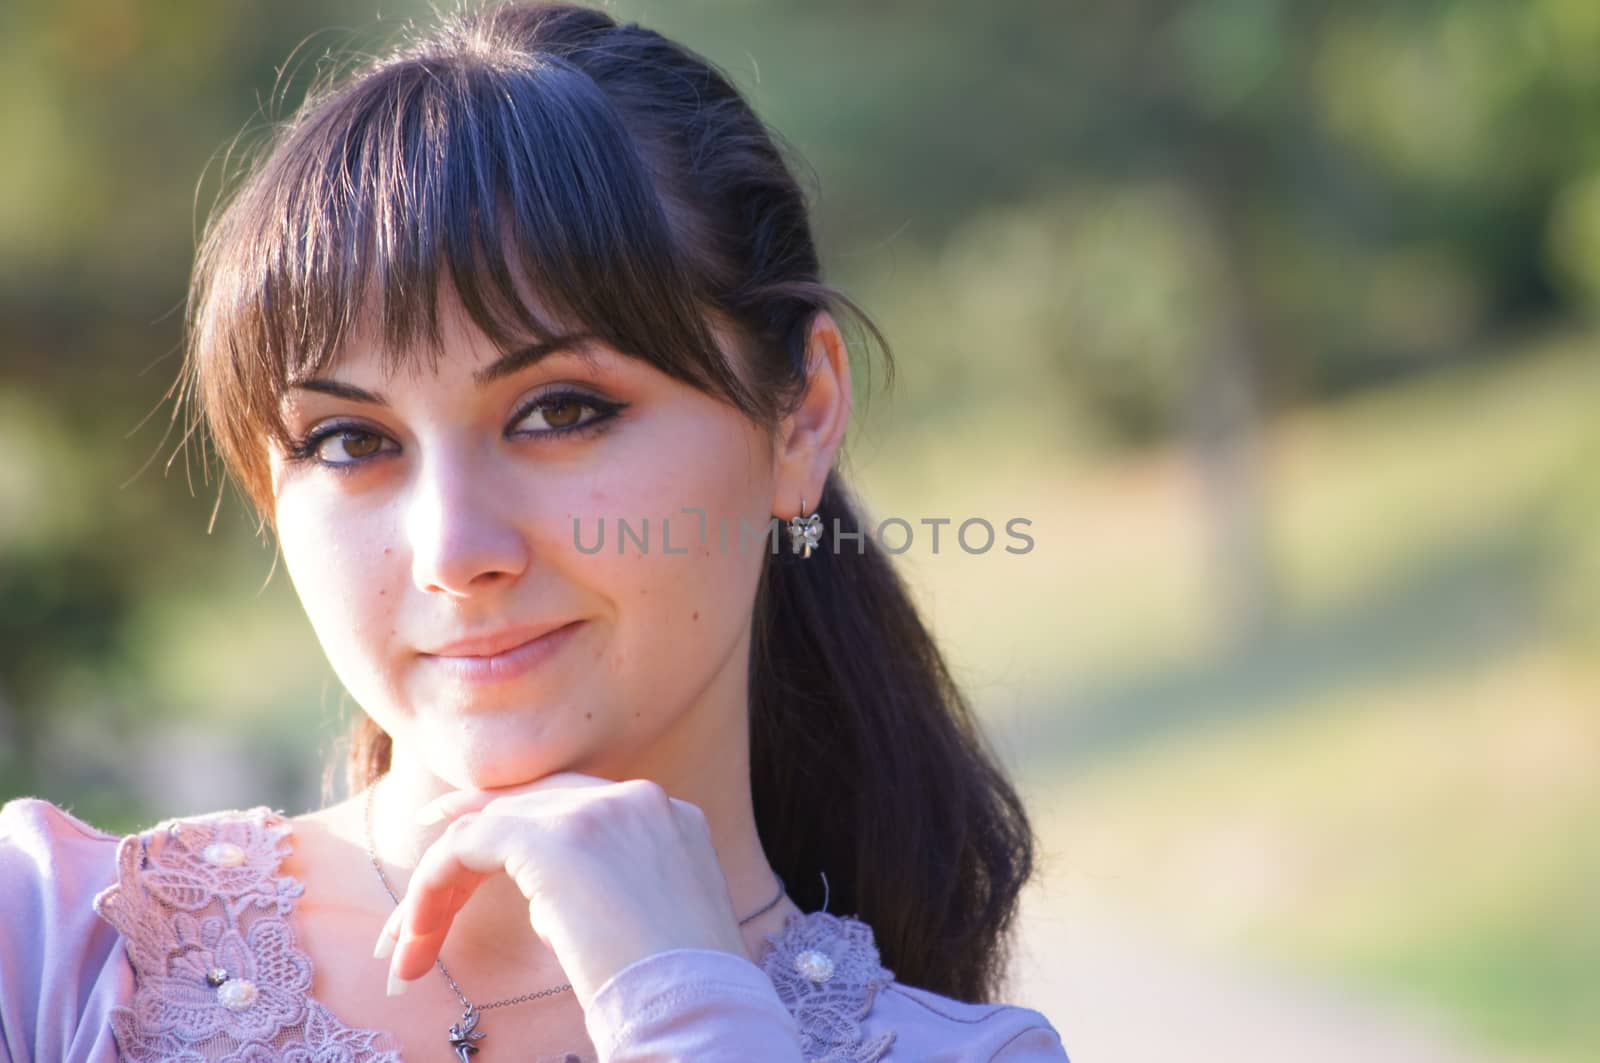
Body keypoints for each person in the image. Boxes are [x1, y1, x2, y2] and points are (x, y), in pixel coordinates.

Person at [0, 3, 1069, 1060]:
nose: (454, 550)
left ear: (803, 414)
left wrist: (687, 1003)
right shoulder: (50, 948)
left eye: (561, 411)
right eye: (346, 439)